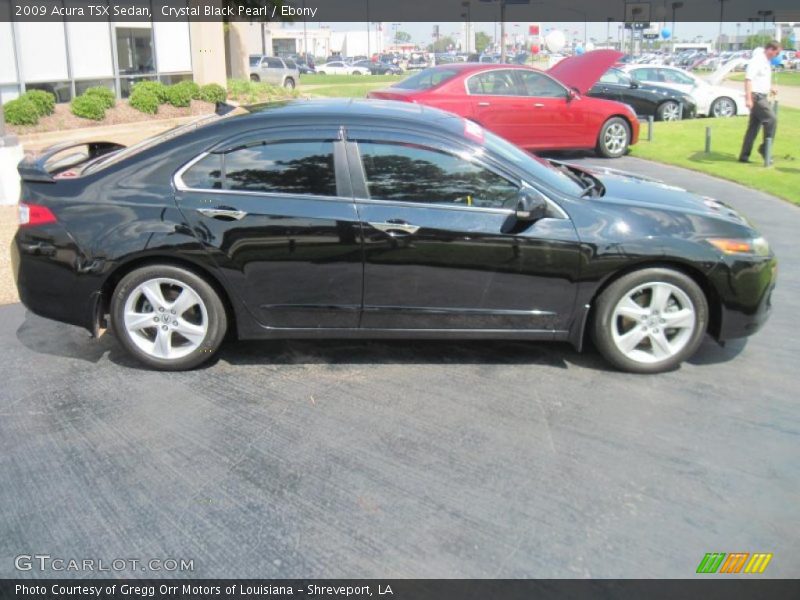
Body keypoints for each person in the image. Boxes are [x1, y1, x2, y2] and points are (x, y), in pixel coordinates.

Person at [739, 41, 782, 164]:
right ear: (770, 50)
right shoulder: (757, 60)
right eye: (777, 52)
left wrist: (770, 88)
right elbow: (748, 80)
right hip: (756, 97)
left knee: (753, 127)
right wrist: (748, 99)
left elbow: (760, 81)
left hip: (762, 95)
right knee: (772, 119)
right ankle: (765, 149)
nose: (777, 55)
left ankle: (744, 155)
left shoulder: (766, 62)